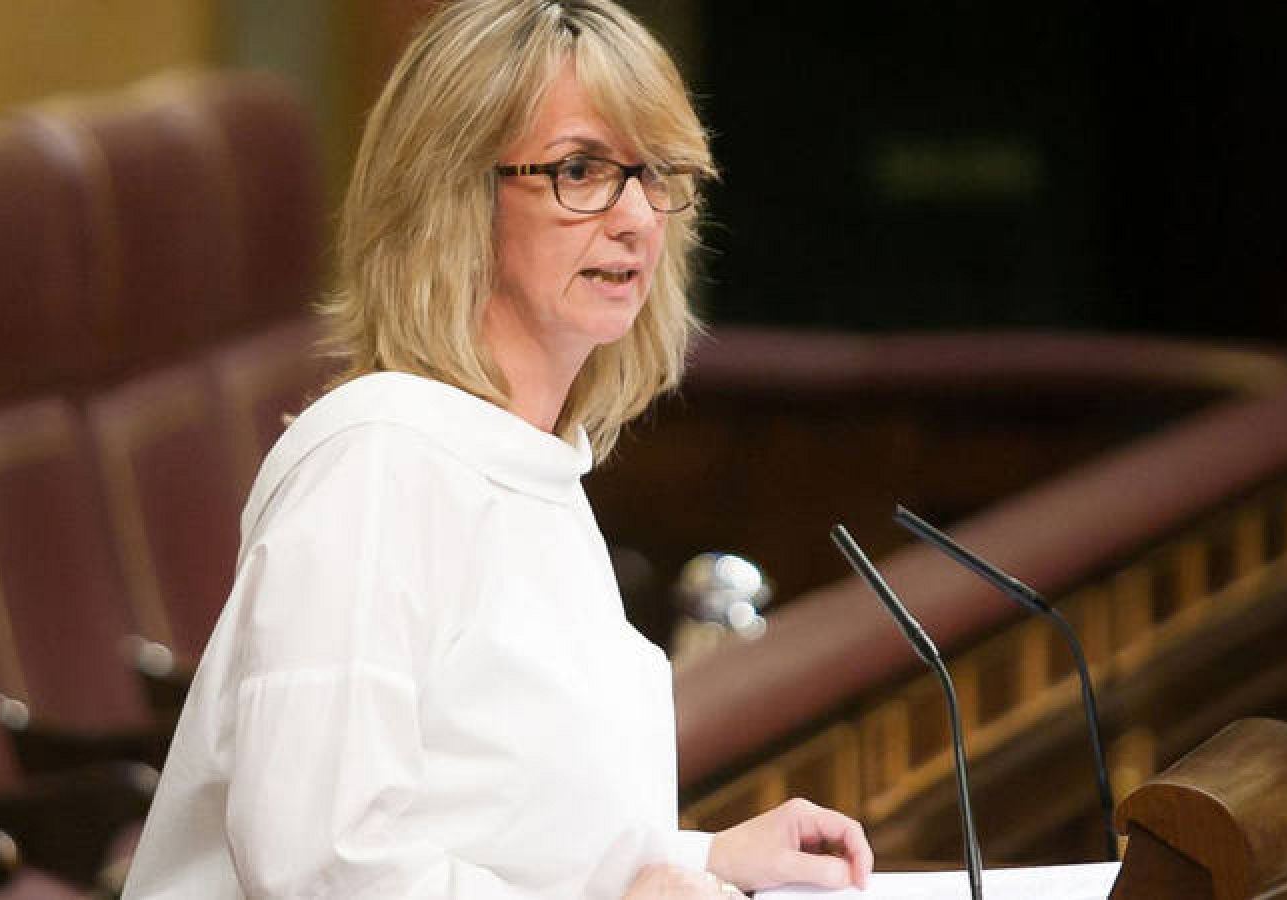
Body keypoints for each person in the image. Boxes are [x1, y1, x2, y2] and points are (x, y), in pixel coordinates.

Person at [121, 1, 873, 897]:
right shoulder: (376, 469)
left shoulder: (530, 464)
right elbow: (322, 866)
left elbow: (499, 827)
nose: (636, 217)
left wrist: (700, 858)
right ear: (456, 197)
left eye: (656, 172)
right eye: (581, 170)